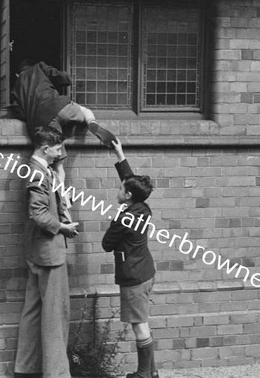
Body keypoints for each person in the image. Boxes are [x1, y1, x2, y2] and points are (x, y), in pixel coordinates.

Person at [14, 126, 79, 378]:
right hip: (49, 252)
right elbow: (38, 212)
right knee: (55, 315)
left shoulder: (42, 169)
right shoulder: (38, 172)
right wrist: (63, 228)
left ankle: (26, 367)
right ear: (45, 148)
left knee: (33, 311)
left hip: (38, 251)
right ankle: (57, 373)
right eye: (57, 149)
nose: (59, 153)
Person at [10, 59, 117, 186]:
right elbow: (62, 77)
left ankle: (61, 197)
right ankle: (91, 123)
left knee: (58, 167)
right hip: (59, 106)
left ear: (17, 74)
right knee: (84, 110)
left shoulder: (15, 88)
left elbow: (19, 112)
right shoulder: (39, 67)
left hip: (44, 122)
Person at [102, 139, 159, 378]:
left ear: (127, 195)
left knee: (139, 325)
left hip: (134, 276)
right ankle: (150, 372)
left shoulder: (125, 218)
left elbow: (106, 244)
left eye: (120, 188)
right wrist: (119, 154)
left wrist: (117, 216)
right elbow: (132, 182)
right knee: (142, 321)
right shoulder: (141, 206)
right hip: (145, 271)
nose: (118, 189)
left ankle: (144, 374)